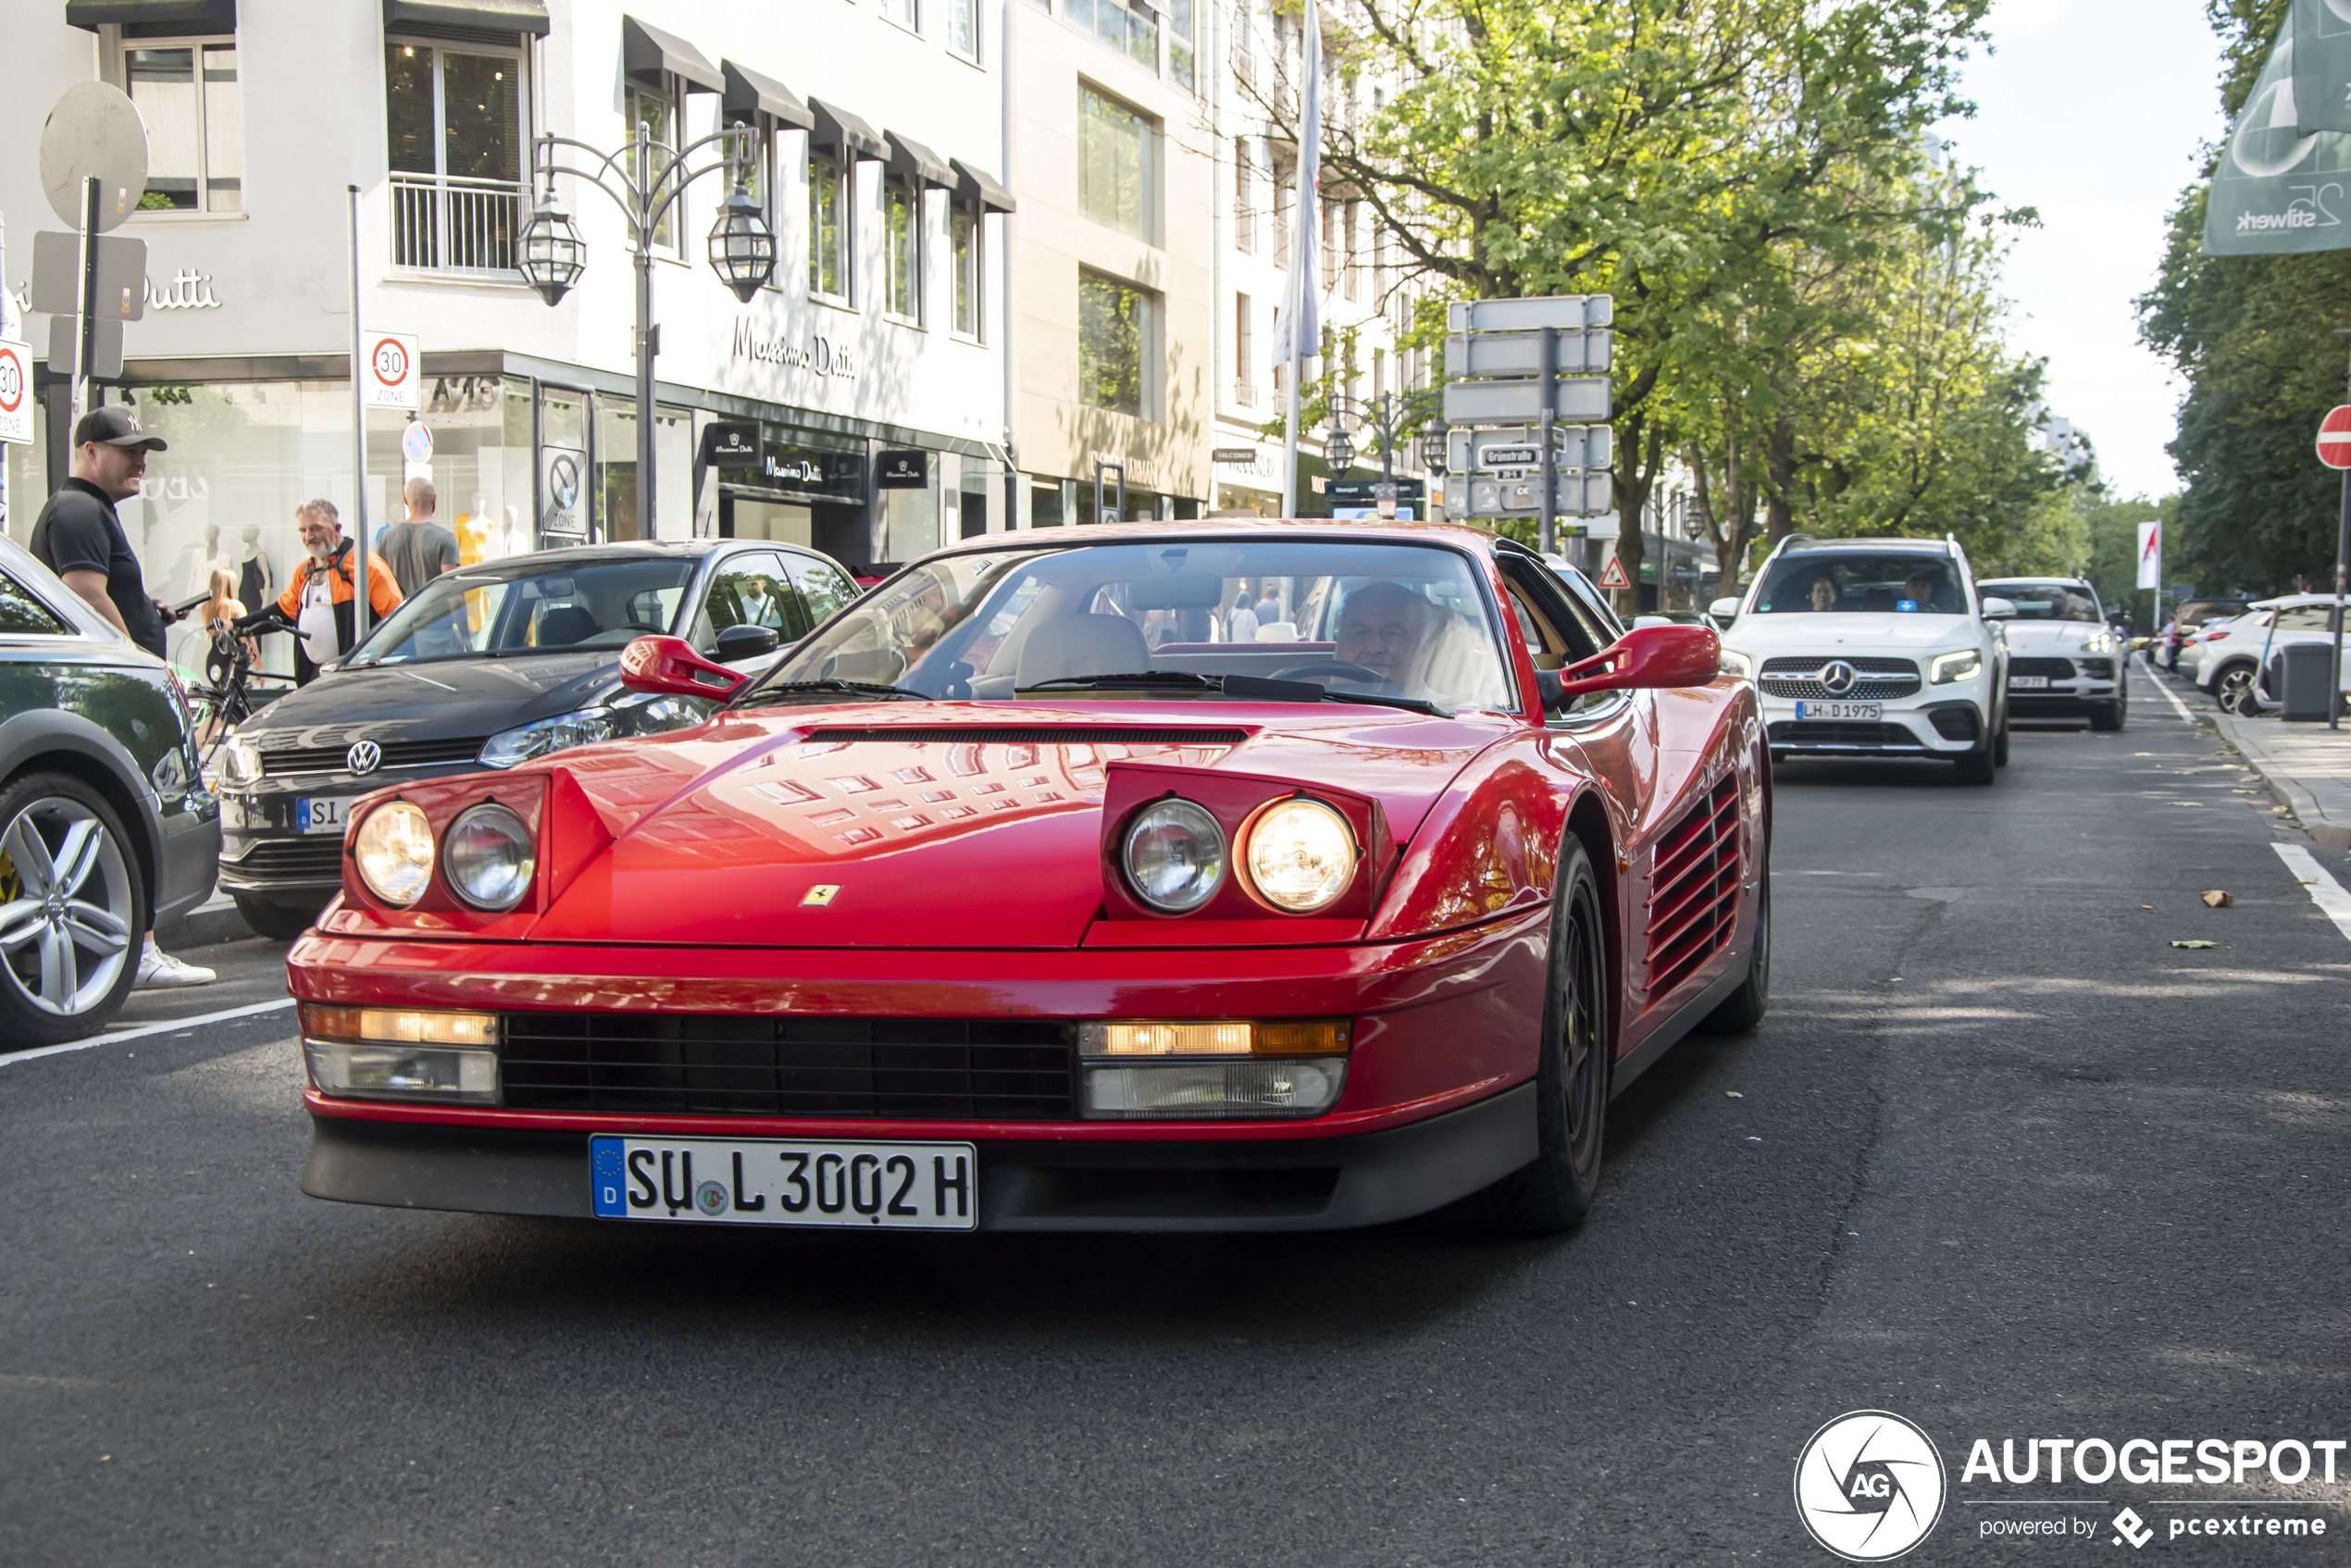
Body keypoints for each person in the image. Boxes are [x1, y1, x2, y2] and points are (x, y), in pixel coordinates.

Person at [29, 406, 216, 989]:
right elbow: (83, 592)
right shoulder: (79, 508)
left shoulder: (88, 511)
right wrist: (140, 661)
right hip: (112, 692)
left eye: (144, 450)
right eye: (128, 449)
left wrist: (148, 613)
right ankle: (140, 948)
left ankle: (133, 944)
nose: (140, 460)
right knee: (135, 808)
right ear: (89, 451)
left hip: (109, 688)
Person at [242, 499, 404, 686]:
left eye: (316, 528)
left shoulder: (364, 565)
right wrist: (238, 625)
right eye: (303, 530)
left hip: (356, 682)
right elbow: (282, 612)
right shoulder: (305, 571)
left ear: (336, 528)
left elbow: (397, 619)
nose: (309, 536)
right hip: (313, 679)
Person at [1334, 580, 1435, 692]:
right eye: (1361, 632)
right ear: (1344, 643)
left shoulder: (1444, 707)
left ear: (1419, 645)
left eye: (1392, 633)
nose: (1374, 648)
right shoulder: (1321, 704)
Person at [378, 478, 460, 601]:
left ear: (405, 500)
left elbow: (379, 582)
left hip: (397, 617)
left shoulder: (385, 538)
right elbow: (452, 591)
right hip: (434, 617)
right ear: (434, 499)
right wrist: (462, 620)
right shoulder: (446, 538)